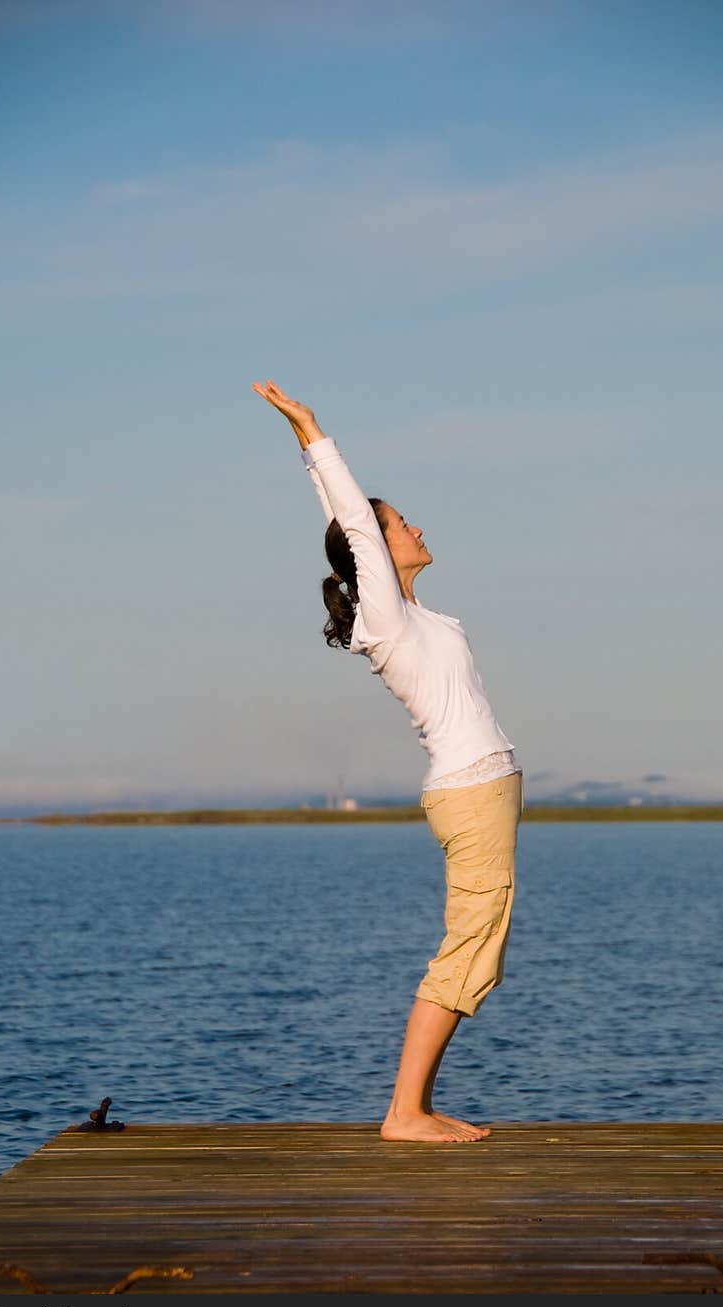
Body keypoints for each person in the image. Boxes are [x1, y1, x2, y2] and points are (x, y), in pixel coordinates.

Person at [253, 378, 524, 1142]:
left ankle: (416, 1107)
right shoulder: (387, 618)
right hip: (472, 795)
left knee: (475, 949)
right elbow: (352, 524)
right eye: (402, 522)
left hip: (482, 793)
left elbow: (356, 532)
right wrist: (313, 437)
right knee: (468, 950)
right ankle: (405, 1112)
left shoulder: (417, 616)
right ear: (375, 548)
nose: (415, 526)